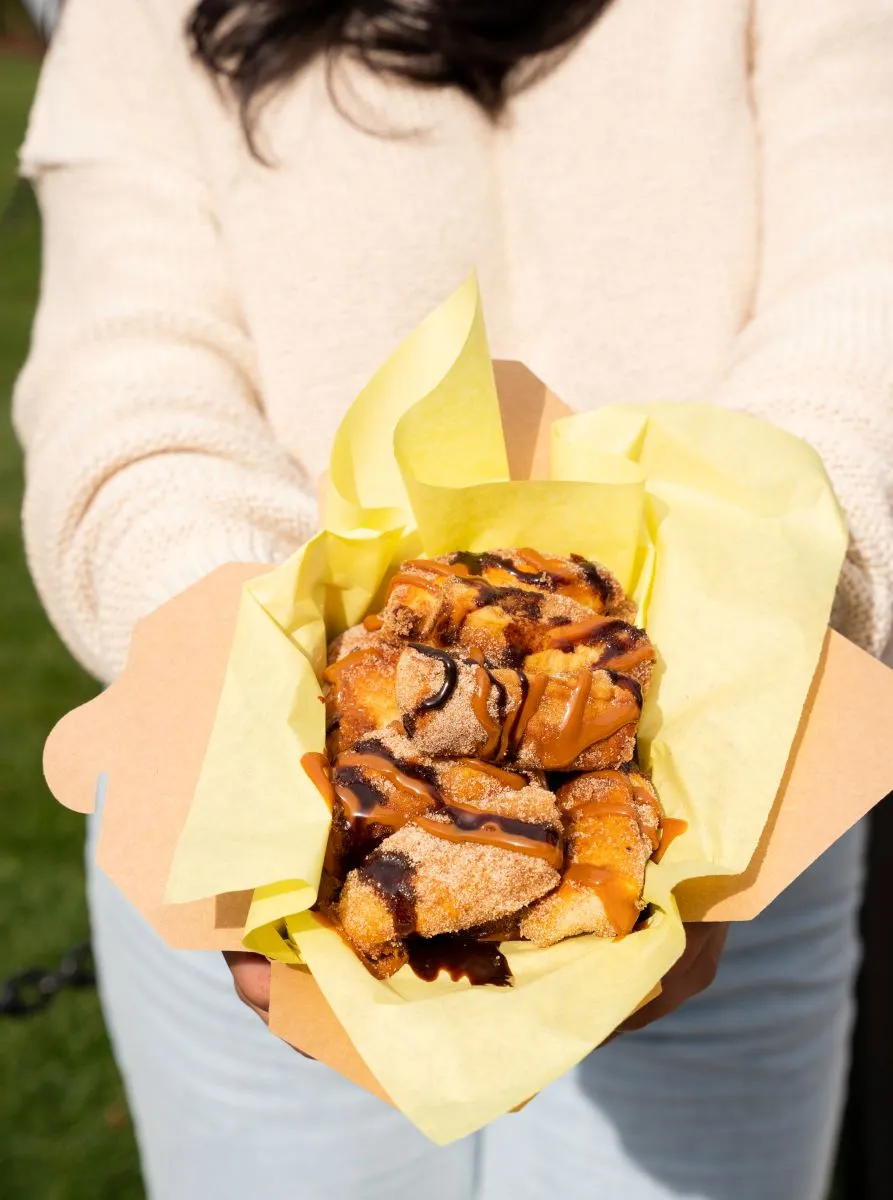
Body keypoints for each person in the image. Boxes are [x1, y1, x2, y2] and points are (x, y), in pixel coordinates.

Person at [14, 1, 893, 1197]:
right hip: (220, 815)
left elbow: (864, 277)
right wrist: (246, 692)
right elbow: (127, 371)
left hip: (748, 815)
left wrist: (754, 635)